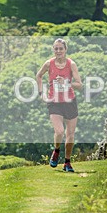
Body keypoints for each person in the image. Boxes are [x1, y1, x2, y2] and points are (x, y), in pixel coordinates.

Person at [35, 38, 82, 173]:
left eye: (61, 48)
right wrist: (41, 93)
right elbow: (38, 76)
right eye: (56, 49)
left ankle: (67, 162)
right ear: (53, 50)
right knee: (60, 131)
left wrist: (67, 82)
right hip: (54, 102)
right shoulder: (49, 64)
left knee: (70, 134)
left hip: (70, 102)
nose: (58, 51)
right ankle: (56, 151)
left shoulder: (71, 64)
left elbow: (79, 85)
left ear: (65, 50)